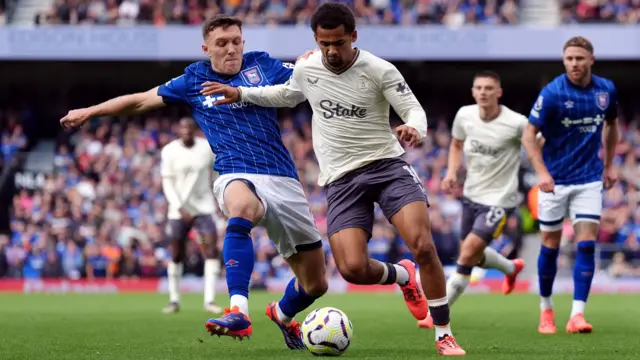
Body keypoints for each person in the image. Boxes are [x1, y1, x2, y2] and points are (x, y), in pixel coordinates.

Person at [201, 3, 465, 355]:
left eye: (338, 43)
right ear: (316, 40)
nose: (331, 51)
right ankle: (403, 275)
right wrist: (242, 93)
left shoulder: (379, 69)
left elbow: (413, 108)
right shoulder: (308, 67)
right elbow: (286, 94)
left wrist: (415, 128)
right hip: (341, 180)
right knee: (353, 269)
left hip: (387, 166)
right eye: (324, 43)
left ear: (353, 36)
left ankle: (444, 333)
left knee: (423, 245)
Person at [60, 15, 326, 350]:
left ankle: (282, 314)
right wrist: (91, 111)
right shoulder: (194, 79)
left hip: (283, 178)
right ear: (206, 48)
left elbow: (311, 76)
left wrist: (311, 59)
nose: (231, 49)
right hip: (235, 171)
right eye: (222, 43)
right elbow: (141, 100)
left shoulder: (264, 65)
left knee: (315, 284)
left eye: (236, 41)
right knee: (241, 208)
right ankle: (238, 312)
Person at [522, 36, 619, 334]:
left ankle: (577, 315)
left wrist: (609, 165)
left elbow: (612, 126)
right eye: (569, 59)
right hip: (554, 181)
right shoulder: (552, 93)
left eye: (579, 58)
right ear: (564, 61)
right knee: (550, 246)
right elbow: (528, 136)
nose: (574, 63)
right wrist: (542, 173)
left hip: (589, 179)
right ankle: (546, 310)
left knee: (586, 244)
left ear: (591, 59)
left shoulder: (606, 90)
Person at [417, 71, 526, 329]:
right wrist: (452, 172)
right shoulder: (465, 116)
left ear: (499, 92)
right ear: (473, 91)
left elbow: (536, 143)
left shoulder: (516, 122)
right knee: (473, 255)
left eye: (489, 88)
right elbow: (456, 145)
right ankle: (510, 268)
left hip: (501, 199)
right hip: (472, 195)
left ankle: (437, 314)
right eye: (479, 87)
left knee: (466, 256)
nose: (483, 92)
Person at [160, 117, 222, 314]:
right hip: (179, 210)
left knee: (210, 250)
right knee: (177, 253)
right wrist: (178, 206)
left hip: (203, 208)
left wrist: (220, 197)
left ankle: (209, 300)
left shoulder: (207, 148)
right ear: (178, 130)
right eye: (183, 127)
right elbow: (167, 182)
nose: (186, 130)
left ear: (195, 130)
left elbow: (217, 174)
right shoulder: (169, 151)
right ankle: (174, 299)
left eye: (189, 127)